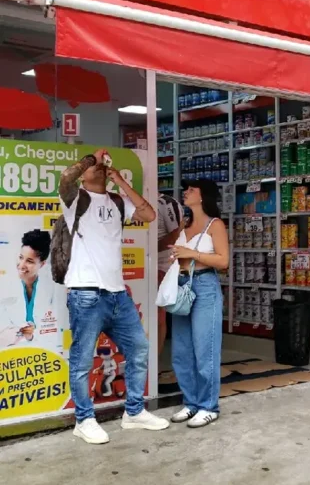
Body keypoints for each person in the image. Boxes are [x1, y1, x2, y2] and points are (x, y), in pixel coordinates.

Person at [59, 148, 169, 444]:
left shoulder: (118, 201)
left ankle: (134, 412)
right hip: (86, 293)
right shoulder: (75, 198)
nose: (97, 168)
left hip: (118, 294)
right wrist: (91, 159)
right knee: (82, 361)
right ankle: (84, 419)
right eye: (91, 166)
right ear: (84, 173)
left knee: (139, 348)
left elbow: (149, 215)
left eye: (100, 165)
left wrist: (120, 181)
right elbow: (66, 178)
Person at [169, 178, 229, 428]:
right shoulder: (184, 223)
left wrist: (192, 254)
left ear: (203, 196)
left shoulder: (215, 225)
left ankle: (208, 406)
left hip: (205, 286)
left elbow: (223, 261)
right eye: (186, 189)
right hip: (182, 284)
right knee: (181, 350)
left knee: (206, 349)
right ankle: (191, 402)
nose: (186, 192)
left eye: (191, 190)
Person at [157, 192, 184, 357]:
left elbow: (177, 235)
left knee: (157, 315)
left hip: (162, 265)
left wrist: (149, 248)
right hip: (141, 264)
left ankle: (155, 361)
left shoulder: (166, 203)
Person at [16, 229, 52, 342]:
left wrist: (32, 335)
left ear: (42, 264)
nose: (21, 265)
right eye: (21, 257)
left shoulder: (51, 290)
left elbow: (54, 329)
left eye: (29, 261)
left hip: (42, 349)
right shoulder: (6, 286)